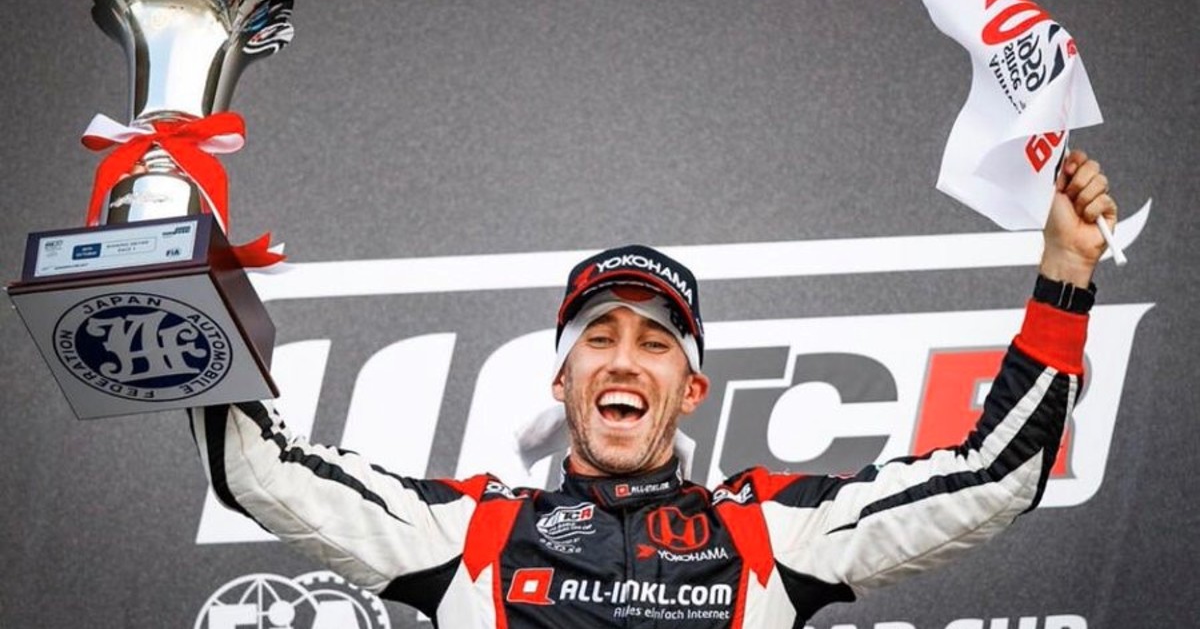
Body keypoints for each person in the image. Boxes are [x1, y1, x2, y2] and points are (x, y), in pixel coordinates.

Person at [191, 149, 1116, 628]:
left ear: (694, 387)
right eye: (599, 338)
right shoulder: (474, 532)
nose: (625, 360)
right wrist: (184, 284)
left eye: (655, 343)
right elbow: (259, 470)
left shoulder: (770, 530)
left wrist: (1066, 271)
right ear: (563, 380)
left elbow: (993, 478)